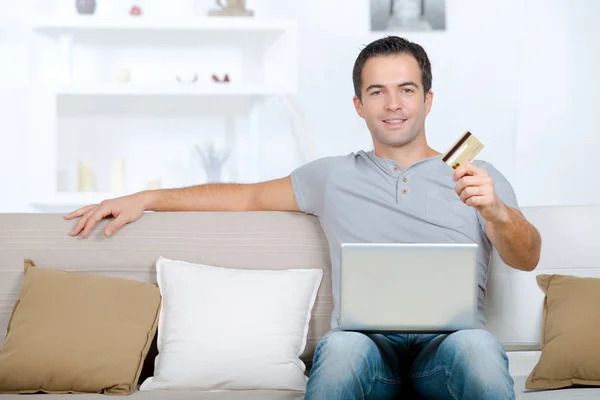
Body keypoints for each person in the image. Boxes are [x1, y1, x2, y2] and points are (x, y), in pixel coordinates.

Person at [65, 36, 541, 399]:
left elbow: (526, 257)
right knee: (337, 352)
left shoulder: (478, 176)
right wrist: (148, 197)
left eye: (406, 90)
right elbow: (245, 198)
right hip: (364, 348)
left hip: (451, 348)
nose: (393, 105)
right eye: (377, 92)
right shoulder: (331, 176)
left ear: (427, 100)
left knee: (479, 349)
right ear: (359, 105)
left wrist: (496, 211)